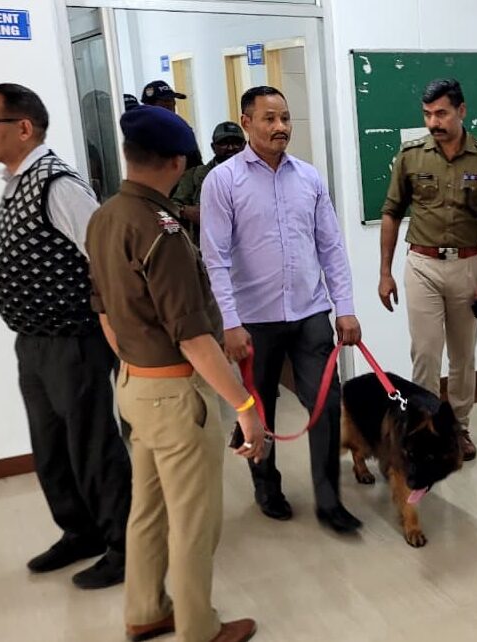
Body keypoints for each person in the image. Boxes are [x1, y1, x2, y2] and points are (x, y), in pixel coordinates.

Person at [87, 105, 263, 642]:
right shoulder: (161, 231)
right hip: (174, 394)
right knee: (194, 519)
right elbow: (193, 338)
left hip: (134, 384)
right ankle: (198, 627)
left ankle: (145, 609)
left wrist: (136, 365)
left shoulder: (106, 216)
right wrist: (245, 407)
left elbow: (103, 311)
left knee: (148, 509)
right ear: (178, 161)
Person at [0, 83, 131, 590]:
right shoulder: (16, 182)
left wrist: (114, 331)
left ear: (23, 128)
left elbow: (105, 258)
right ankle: (80, 532)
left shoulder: (58, 184)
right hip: (34, 343)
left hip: (73, 342)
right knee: (51, 447)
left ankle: (125, 547)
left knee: (92, 445)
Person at [201, 86, 362, 531]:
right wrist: (229, 322)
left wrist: (345, 307)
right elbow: (215, 258)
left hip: (310, 313)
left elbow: (331, 247)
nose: (281, 127)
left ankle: (329, 500)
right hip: (253, 320)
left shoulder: (308, 178)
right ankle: (266, 486)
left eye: (285, 118)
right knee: (259, 408)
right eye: (269, 118)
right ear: (246, 122)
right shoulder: (223, 181)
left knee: (326, 404)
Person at [377, 78, 477, 461]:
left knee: (463, 356)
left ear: (461, 111)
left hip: (468, 266)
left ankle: (459, 429)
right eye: (427, 114)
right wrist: (384, 272)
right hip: (422, 266)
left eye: (441, 113)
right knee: (426, 353)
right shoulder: (411, 155)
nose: (433, 122)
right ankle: (424, 430)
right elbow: (391, 213)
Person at [172, 121, 246, 243]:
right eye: (224, 143)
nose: (231, 148)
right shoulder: (194, 175)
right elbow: (171, 206)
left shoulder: (257, 174)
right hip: (207, 245)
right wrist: (186, 211)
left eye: (236, 143)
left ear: (244, 145)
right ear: (213, 147)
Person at [141, 79, 203, 171]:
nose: (171, 107)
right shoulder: (139, 133)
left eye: (173, 102)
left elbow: (195, 166)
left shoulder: (182, 130)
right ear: (149, 106)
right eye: (165, 103)